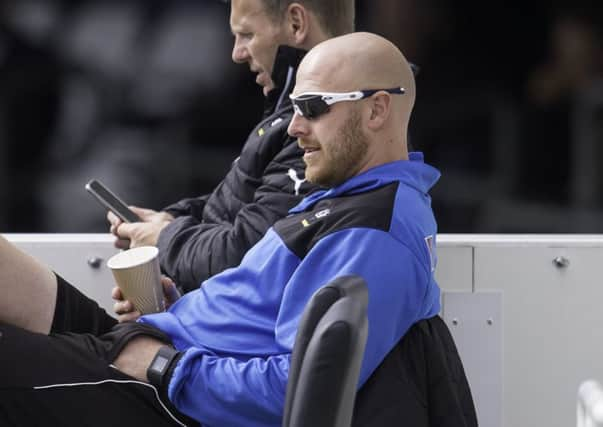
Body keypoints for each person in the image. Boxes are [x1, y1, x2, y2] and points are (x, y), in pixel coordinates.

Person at [0, 32, 441, 426]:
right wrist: (183, 307)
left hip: (165, 392)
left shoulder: (376, 227)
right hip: (160, 348)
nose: (294, 127)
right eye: (292, 108)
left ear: (377, 109)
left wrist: (164, 367)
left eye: (312, 107)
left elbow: (299, 392)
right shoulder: (350, 197)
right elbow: (262, 316)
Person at [106, 0, 356, 318]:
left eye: (247, 35)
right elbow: (239, 214)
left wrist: (164, 238)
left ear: (296, 23)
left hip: (228, 350)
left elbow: (248, 257)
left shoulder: (320, 132)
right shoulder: (286, 118)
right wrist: (168, 222)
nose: (237, 54)